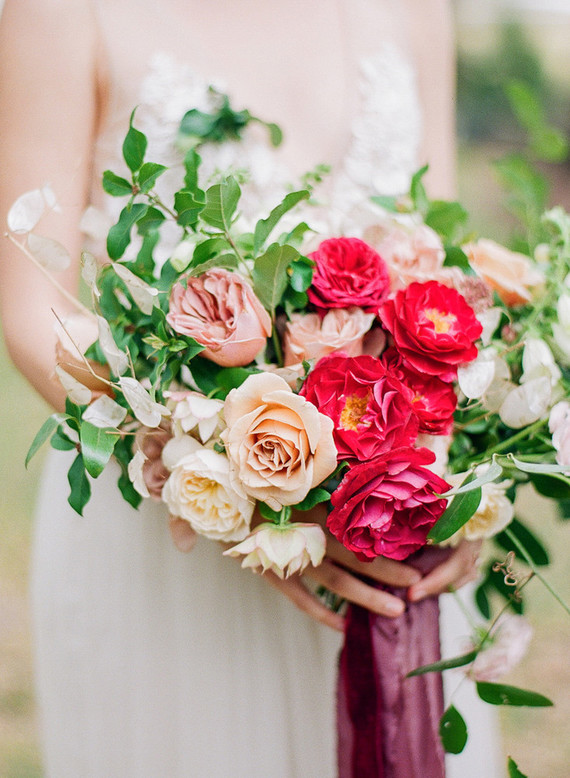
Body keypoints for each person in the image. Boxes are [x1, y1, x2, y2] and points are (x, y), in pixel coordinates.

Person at [0, 0, 500, 775]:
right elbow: (34, 302)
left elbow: (436, 250)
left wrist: (463, 463)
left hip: (389, 525)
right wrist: (246, 482)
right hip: (175, 535)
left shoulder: (419, 10)